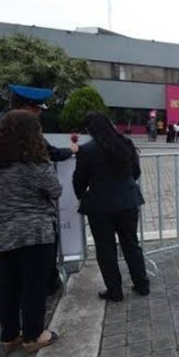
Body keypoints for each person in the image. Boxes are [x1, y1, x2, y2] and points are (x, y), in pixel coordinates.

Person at [0, 84, 77, 297]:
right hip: (32, 226)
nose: (39, 114)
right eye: (39, 109)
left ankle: (10, 329)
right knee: (35, 280)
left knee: (7, 281)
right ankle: (36, 323)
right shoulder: (27, 135)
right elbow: (53, 178)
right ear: (29, 108)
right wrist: (72, 150)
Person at [0, 110, 61, 353]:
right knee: (34, 284)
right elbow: (54, 190)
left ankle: (9, 335)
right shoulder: (34, 165)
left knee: (7, 283)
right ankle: (34, 335)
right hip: (33, 232)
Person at [73, 112, 149, 301]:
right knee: (131, 244)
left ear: (89, 130)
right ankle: (142, 284)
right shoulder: (125, 143)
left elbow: (79, 181)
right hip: (128, 201)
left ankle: (115, 291)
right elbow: (136, 172)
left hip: (101, 206)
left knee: (106, 249)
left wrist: (83, 196)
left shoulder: (88, 150)